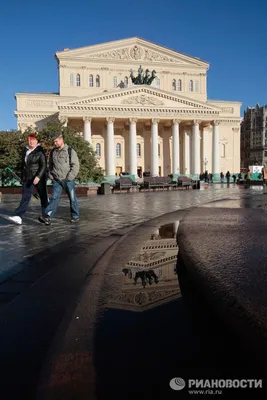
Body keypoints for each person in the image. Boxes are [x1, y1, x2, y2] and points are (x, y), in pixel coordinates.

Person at [38, 132, 80, 225]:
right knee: (54, 198)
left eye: (56, 141)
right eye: (54, 142)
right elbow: (50, 165)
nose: (55, 143)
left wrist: (69, 177)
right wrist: (51, 176)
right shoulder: (53, 152)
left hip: (68, 180)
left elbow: (75, 166)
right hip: (57, 180)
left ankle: (75, 216)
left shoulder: (70, 151)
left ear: (61, 139)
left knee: (72, 198)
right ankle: (47, 217)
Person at [8, 133, 48, 225]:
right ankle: (18, 216)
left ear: (36, 141)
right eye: (29, 140)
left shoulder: (40, 151)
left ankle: (46, 216)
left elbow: (43, 165)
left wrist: (38, 176)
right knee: (25, 197)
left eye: (33, 140)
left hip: (39, 178)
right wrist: (23, 177)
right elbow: (24, 166)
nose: (31, 141)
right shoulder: (25, 151)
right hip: (28, 178)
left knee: (43, 197)